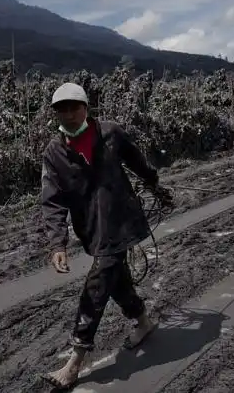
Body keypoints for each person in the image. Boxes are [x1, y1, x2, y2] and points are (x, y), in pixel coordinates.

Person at [38, 81, 172, 390]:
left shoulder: (111, 133)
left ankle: (76, 358)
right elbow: (51, 200)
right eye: (62, 109)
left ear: (86, 107)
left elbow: (138, 162)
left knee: (97, 285)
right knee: (116, 279)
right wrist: (57, 243)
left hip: (121, 219)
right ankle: (143, 322)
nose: (69, 114)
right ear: (55, 114)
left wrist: (155, 185)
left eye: (74, 107)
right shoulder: (54, 153)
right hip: (93, 228)